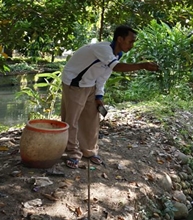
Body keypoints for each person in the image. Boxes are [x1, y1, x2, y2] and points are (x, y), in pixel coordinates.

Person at [60, 25, 159, 168]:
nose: (132, 45)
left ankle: (89, 151)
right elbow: (116, 67)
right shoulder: (103, 49)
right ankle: (72, 153)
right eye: (130, 41)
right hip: (75, 83)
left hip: (90, 83)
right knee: (72, 119)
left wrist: (99, 95)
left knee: (91, 118)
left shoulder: (116, 54)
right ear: (120, 39)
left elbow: (103, 75)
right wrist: (142, 65)